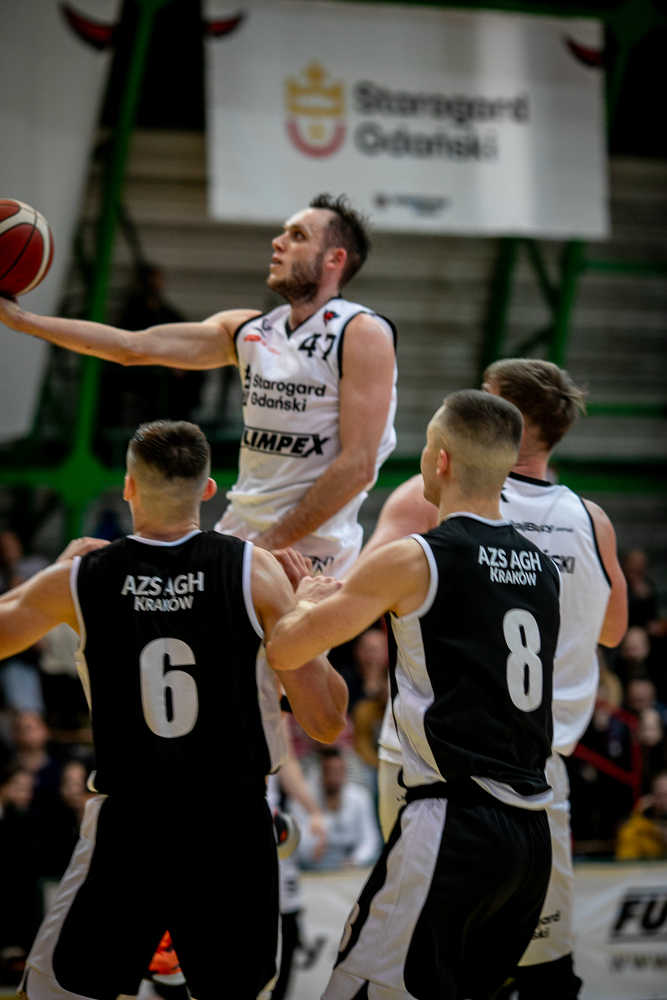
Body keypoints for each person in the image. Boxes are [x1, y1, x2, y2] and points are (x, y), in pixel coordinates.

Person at [0, 419, 348, 1000]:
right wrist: (308, 617)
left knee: (55, 990)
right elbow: (326, 722)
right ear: (208, 490)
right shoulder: (255, 571)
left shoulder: (82, 577)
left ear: (128, 486)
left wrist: (53, 572)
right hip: (232, 825)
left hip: (130, 824)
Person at [267, 389, 560, 1000]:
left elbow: (287, 650)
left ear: (442, 460)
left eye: (426, 446)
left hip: (454, 822)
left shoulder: (416, 558)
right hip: (533, 840)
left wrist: (301, 603)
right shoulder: (543, 569)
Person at [360, 358, 628, 999]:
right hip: (538, 773)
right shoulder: (590, 519)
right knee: (539, 968)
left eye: (485, 397)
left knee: (419, 962)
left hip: (434, 771)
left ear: (513, 422)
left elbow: (358, 593)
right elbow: (614, 630)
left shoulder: (434, 496)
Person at [0, 195, 397, 577]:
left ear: (334, 259)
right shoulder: (248, 329)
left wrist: (267, 547)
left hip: (310, 552)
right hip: (242, 534)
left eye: (297, 236)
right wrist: (23, 321)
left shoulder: (360, 332)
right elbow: (131, 347)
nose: (278, 242)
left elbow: (358, 466)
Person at [292, 748, 381, 871]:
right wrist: (315, 842)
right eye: (329, 771)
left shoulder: (360, 797)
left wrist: (355, 861)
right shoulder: (302, 799)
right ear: (321, 772)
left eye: (338, 772)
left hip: (350, 867)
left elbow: (370, 839)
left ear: (345, 773)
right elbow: (297, 845)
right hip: (314, 868)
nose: (333, 778)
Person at [616, 770, 667, 858]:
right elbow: (627, 860)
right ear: (652, 798)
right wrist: (638, 813)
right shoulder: (637, 830)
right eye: (663, 795)